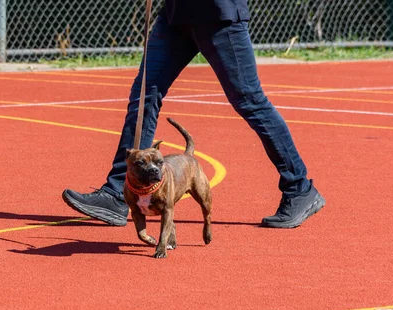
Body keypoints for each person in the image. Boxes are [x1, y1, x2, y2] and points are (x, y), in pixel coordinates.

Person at [62, 0, 325, 228]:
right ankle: (119, 193)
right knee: (144, 98)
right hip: (176, 16)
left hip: (218, 16)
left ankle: (299, 188)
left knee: (250, 101)